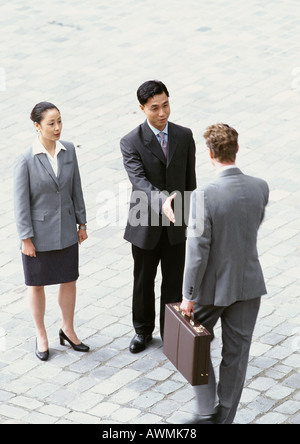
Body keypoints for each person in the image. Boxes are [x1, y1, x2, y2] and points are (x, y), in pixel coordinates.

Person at [180, 123, 269, 424]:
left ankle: (206, 408)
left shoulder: (204, 194)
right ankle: (225, 419)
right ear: (237, 149)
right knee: (236, 357)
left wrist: (187, 297)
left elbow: (197, 250)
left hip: (211, 289)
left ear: (209, 153)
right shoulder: (261, 187)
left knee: (191, 343)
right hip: (248, 286)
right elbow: (247, 228)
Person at [120, 80, 197, 353]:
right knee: (143, 279)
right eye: (155, 108)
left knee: (174, 280)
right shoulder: (131, 142)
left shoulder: (185, 136)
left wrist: (187, 216)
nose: (162, 113)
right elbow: (139, 181)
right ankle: (142, 330)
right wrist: (162, 201)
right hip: (145, 220)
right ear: (142, 108)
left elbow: (189, 181)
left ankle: (172, 332)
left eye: (165, 105)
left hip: (176, 222)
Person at [14, 102, 90, 361]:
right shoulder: (26, 159)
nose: (57, 127)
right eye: (51, 123)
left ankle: (68, 329)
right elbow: (20, 203)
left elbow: (75, 188)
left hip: (66, 228)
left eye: (59, 121)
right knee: (37, 285)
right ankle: (41, 334)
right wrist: (26, 238)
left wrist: (82, 223)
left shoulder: (68, 151)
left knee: (69, 279)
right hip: (38, 234)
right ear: (37, 126)